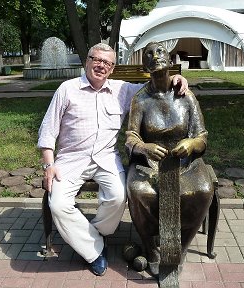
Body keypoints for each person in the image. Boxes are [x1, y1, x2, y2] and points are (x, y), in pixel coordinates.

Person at [37, 43, 188, 276]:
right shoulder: (67, 89)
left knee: (118, 197)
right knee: (57, 204)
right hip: (70, 159)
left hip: (106, 159)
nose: (101, 66)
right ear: (87, 61)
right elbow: (48, 130)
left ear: (112, 68)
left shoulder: (123, 90)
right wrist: (49, 164)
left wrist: (177, 77)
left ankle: (90, 236)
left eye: (107, 63)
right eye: (96, 60)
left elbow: (156, 86)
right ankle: (94, 250)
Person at [126, 42, 214, 276]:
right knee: (139, 191)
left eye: (160, 52)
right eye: (149, 54)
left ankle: (180, 247)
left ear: (170, 61)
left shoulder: (185, 96)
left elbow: (202, 135)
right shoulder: (140, 99)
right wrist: (144, 147)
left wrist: (192, 143)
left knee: (203, 189)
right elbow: (131, 137)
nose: (155, 56)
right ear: (145, 65)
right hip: (151, 163)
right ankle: (151, 248)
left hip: (185, 163)